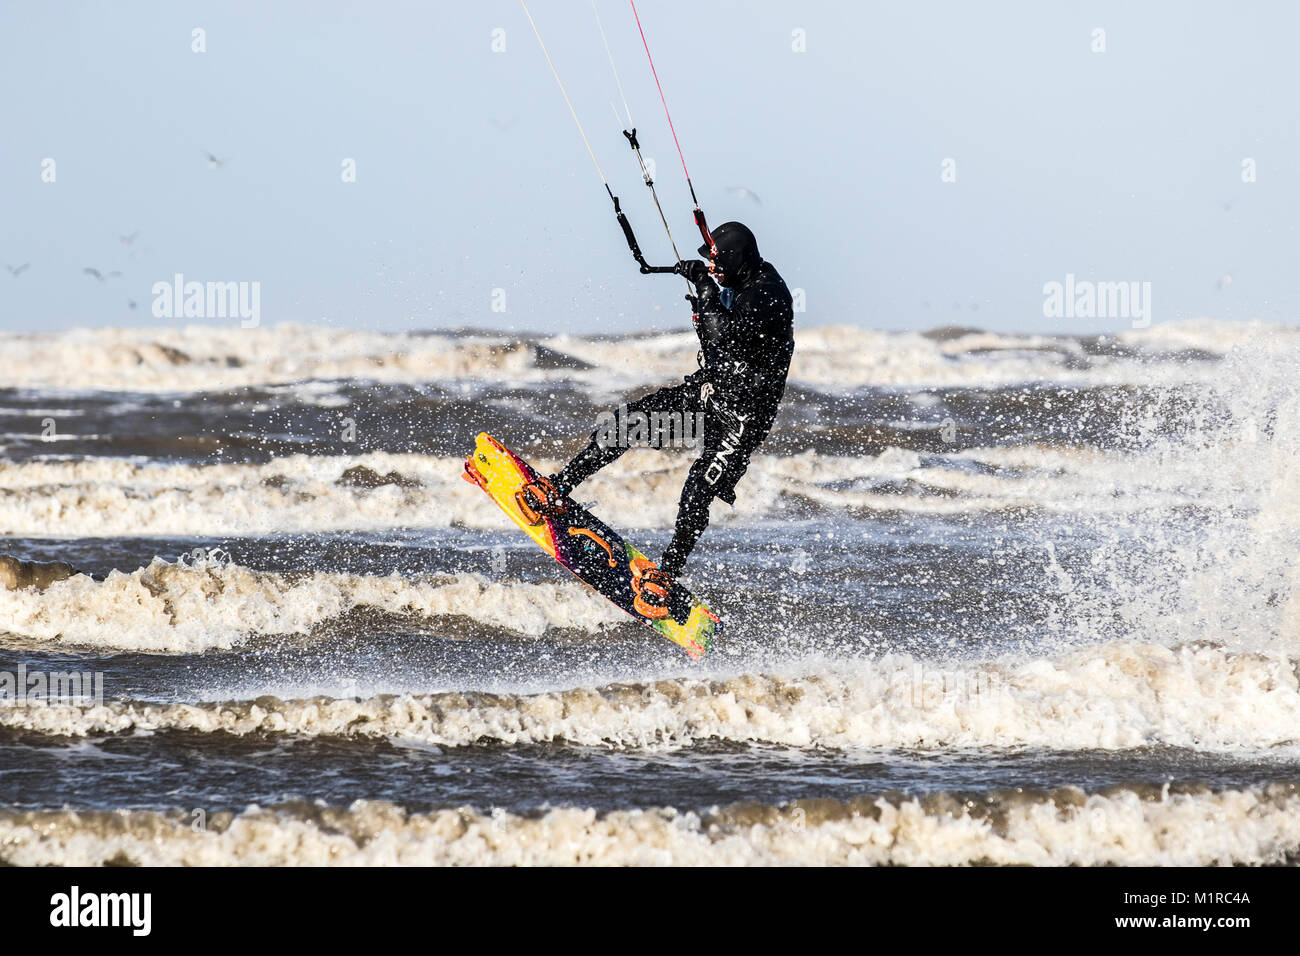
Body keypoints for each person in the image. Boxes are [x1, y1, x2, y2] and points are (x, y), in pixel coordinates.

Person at [518, 221, 794, 622]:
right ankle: (558, 488)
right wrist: (707, 290)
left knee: (699, 488)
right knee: (628, 423)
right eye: (709, 262)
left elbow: (722, 342)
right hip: (709, 395)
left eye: (717, 260)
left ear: (735, 258)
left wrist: (704, 291)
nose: (712, 266)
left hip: (741, 419)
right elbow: (716, 350)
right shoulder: (737, 278)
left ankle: (666, 575)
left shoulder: (768, 296)